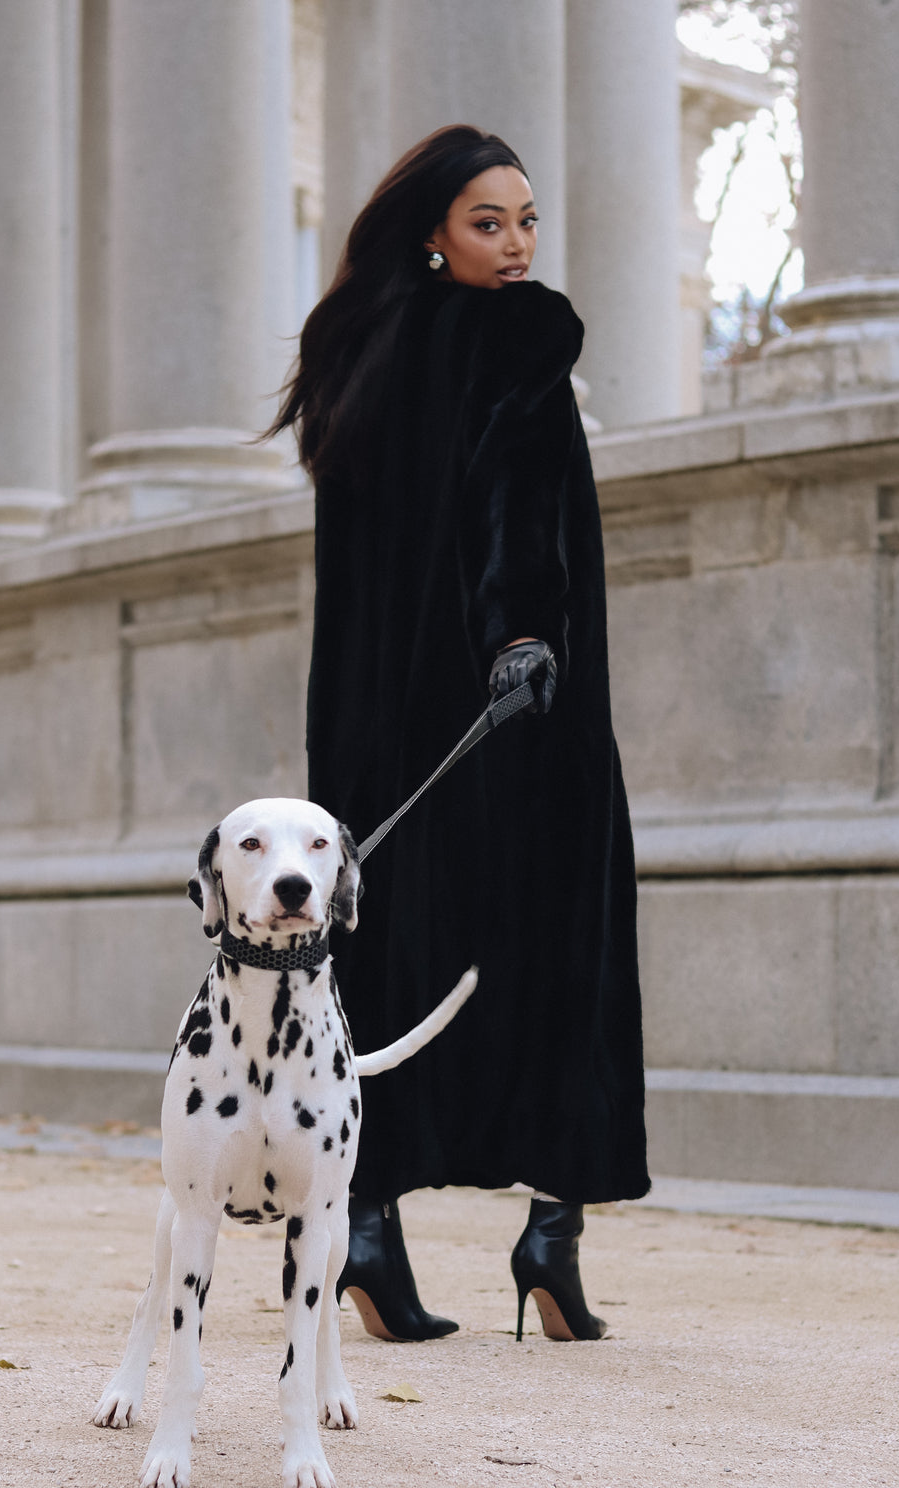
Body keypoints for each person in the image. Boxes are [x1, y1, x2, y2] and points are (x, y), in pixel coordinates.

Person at [269, 124, 649, 1343]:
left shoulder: (356, 352)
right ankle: (551, 1233)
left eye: (527, 220)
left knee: (396, 958)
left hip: (378, 722)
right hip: (514, 715)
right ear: (430, 231)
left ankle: (369, 1228)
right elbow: (516, 512)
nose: (518, 245)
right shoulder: (522, 341)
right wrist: (522, 637)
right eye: (489, 222)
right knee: (557, 951)